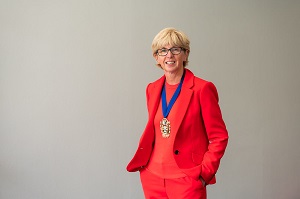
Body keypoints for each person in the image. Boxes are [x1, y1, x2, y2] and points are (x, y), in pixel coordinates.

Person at [126, 27, 228, 199]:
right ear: (156, 57)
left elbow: (219, 137)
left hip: (187, 179)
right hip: (153, 177)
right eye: (163, 50)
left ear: (185, 54)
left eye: (175, 49)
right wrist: (147, 172)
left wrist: (204, 175)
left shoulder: (202, 89)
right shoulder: (152, 89)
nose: (169, 55)